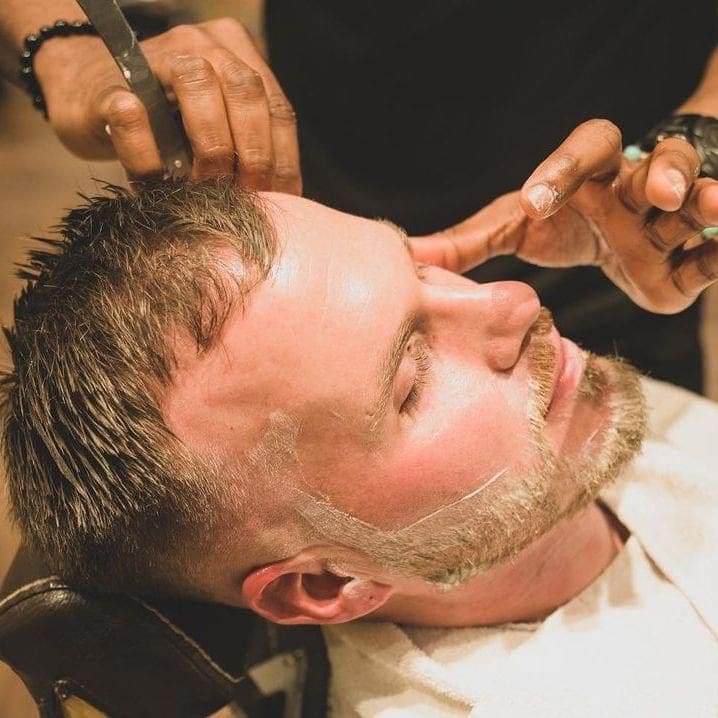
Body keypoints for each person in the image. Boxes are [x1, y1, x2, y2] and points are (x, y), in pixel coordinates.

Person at [2, 172, 717, 715]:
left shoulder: (554, 454)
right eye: (412, 381)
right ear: (326, 584)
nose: (511, 303)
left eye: (421, 267)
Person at [0, 1, 717, 391]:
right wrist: (60, 38)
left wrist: (701, 130)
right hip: (328, 188)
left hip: (614, 225)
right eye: (408, 391)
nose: (515, 304)